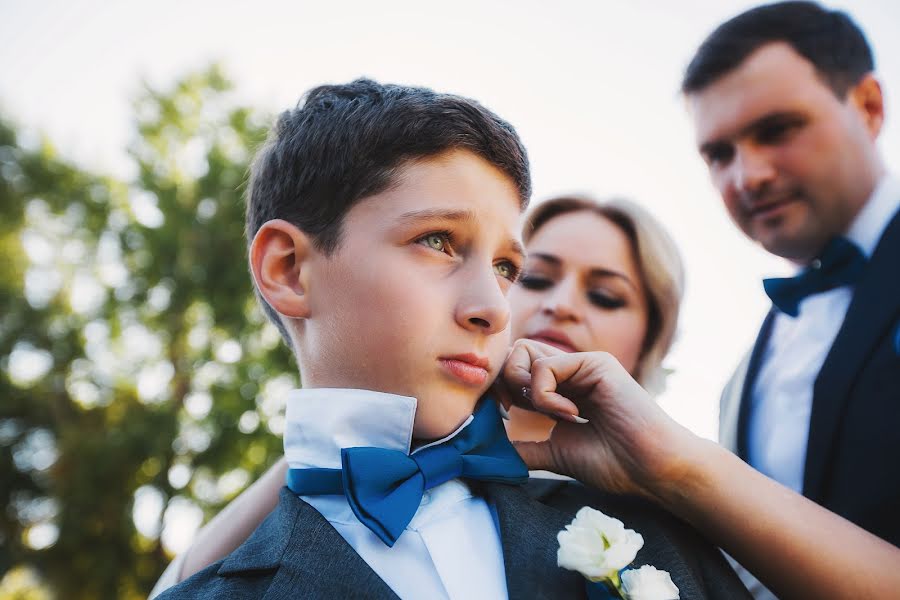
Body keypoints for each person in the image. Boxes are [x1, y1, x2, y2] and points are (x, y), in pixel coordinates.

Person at [154, 79, 745, 599]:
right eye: (438, 241)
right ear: (288, 269)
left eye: (506, 269)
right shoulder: (225, 579)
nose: (495, 306)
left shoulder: (661, 539)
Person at [150, 193, 687, 592]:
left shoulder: (678, 516)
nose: (561, 305)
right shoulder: (375, 471)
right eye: (533, 277)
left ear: (649, 348)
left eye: (604, 296)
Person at [681, 1, 900, 597]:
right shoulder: (745, 370)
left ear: (869, 106)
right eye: (718, 154)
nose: (746, 176)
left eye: (776, 130)